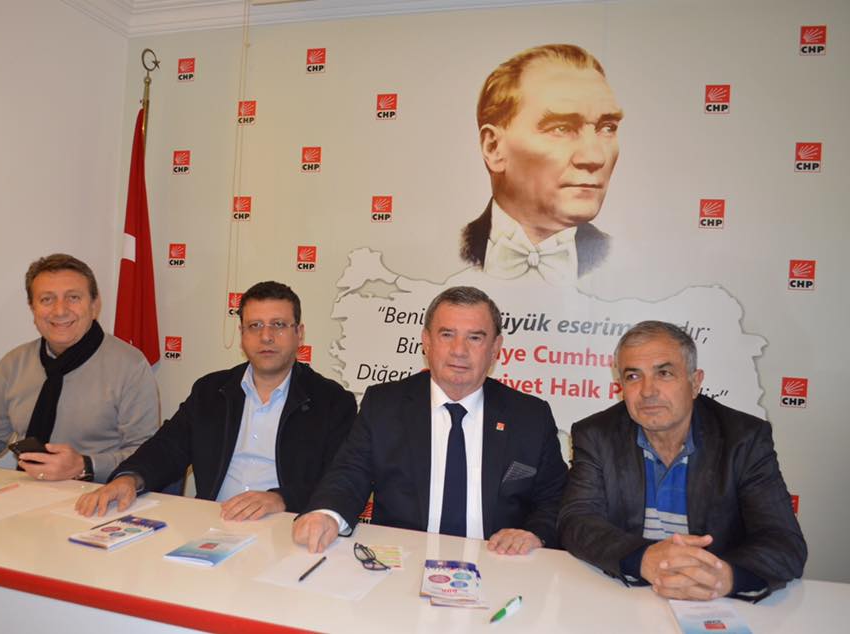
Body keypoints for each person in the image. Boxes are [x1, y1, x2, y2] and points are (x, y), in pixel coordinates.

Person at [293, 286, 567, 554]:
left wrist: (534, 533)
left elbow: (555, 498)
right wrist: (327, 514)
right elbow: (349, 474)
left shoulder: (530, 416)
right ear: (426, 341)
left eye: (475, 338)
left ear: (496, 348)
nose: (459, 350)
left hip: (497, 561)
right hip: (403, 560)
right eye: (447, 335)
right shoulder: (384, 405)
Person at [558, 321, 807, 601]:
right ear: (621, 386)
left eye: (664, 373)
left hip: (714, 601)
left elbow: (783, 541)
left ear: (695, 382)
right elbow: (577, 521)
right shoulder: (596, 434)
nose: (648, 391)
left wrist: (724, 576)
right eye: (633, 376)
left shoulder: (743, 439)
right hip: (627, 597)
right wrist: (643, 558)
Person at [75, 281, 357, 521]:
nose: (266, 336)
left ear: (299, 334)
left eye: (279, 325)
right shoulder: (211, 391)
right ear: (242, 335)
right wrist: (129, 478)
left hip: (289, 524)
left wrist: (281, 499)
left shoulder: (332, 401)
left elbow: (340, 479)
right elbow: (167, 448)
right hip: (213, 522)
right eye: (255, 325)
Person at [0, 254, 159, 483]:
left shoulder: (130, 365)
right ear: (33, 309)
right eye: (46, 299)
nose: (60, 310)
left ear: (95, 305)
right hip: (25, 492)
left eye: (73, 297)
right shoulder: (14, 363)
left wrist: (85, 465)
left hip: (100, 498)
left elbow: (147, 452)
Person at [460, 44, 622, 283]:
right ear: (493, 148)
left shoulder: (621, 261)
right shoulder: (453, 250)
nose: (595, 157)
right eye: (561, 128)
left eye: (607, 128)